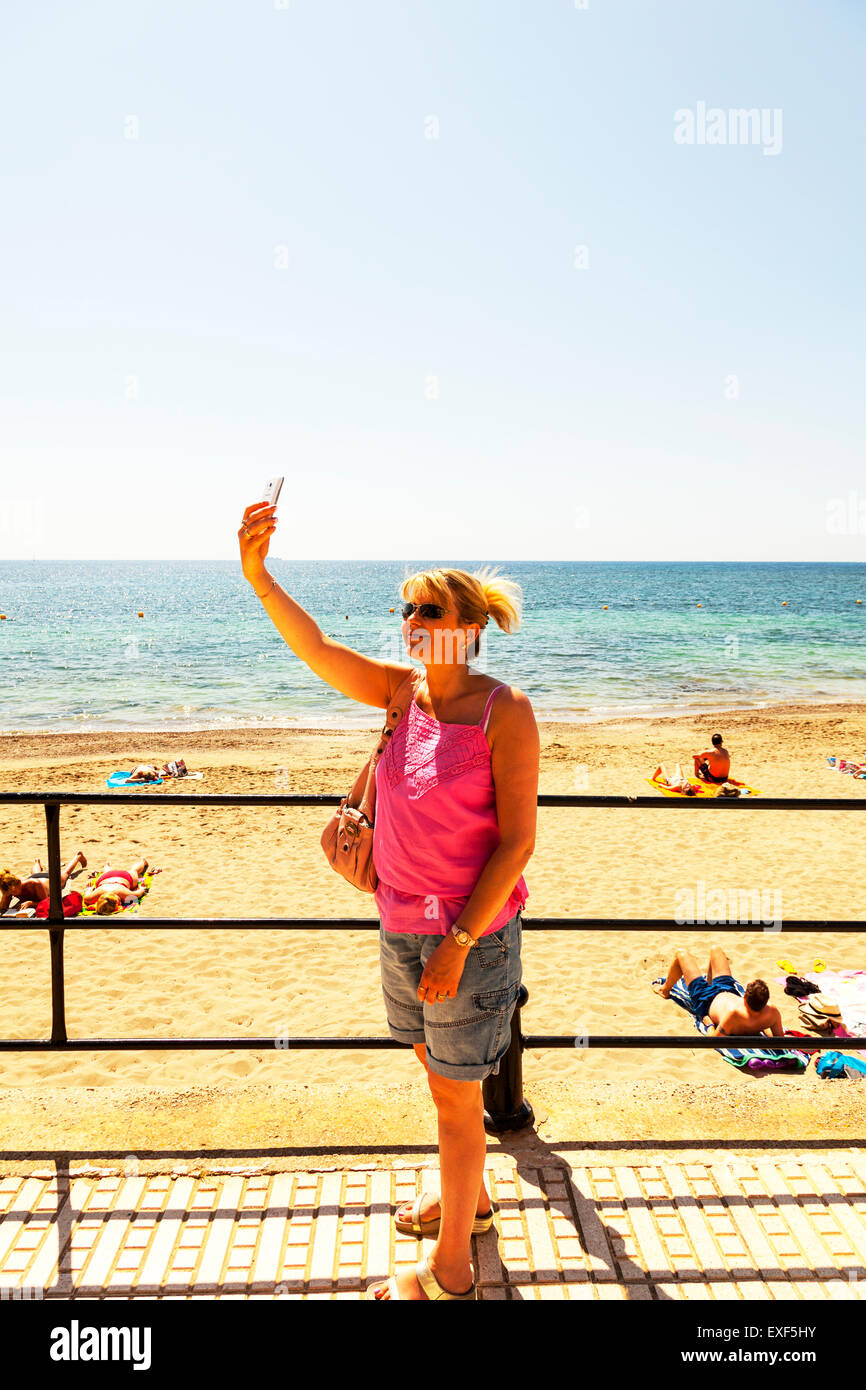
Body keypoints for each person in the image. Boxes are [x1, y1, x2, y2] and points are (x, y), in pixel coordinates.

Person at [239, 498, 539, 1302]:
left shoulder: (504, 711)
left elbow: (516, 844)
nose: (409, 617)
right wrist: (260, 576)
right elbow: (317, 648)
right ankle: (469, 1199)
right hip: (400, 922)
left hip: (467, 939)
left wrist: (460, 943)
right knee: (438, 1073)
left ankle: (450, 1270)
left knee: (454, 1096)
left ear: (468, 626)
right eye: (404, 606)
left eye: (428, 608)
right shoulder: (402, 693)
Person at [652, 945, 783, 1038]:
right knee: (716, 949)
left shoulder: (734, 1015)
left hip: (706, 997)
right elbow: (779, 1040)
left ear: (744, 999)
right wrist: (762, 1027)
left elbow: (715, 1040)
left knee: (681, 954)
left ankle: (665, 990)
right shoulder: (772, 1013)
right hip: (727, 988)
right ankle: (709, 981)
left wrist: (709, 1025)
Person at [0, 851, 87, 914]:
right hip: (36, 876)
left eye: (13, 892)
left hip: (48, 880)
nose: (13, 894)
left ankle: (78, 856)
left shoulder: (35, 884)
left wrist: (31, 903)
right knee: (36, 873)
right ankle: (37, 862)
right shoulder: (10, 888)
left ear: (19, 883)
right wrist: (5, 896)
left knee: (65, 874)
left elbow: (46, 902)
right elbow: (3, 908)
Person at [82, 859, 152, 913]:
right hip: (106, 877)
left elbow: (138, 894)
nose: (120, 903)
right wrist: (89, 889)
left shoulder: (122, 894)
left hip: (124, 878)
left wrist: (141, 888)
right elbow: (87, 894)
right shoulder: (91, 898)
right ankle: (106, 866)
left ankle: (143, 862)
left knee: (134, 871)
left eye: (118, 902)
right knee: (133, 870)